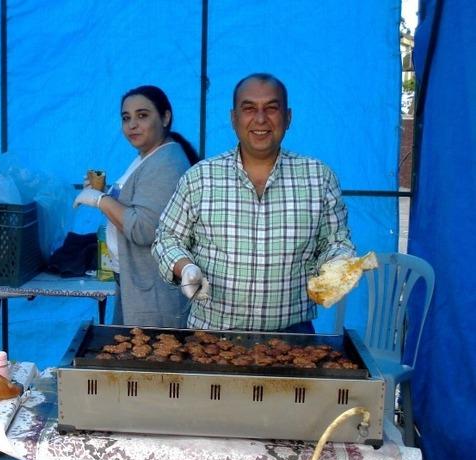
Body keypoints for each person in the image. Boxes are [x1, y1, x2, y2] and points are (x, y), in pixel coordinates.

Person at [152, 73, 356, 333]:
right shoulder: (200, 178)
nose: (260, 119)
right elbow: (166, 238)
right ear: (234, 118)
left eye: (271, 108)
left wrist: (338, 264)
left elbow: (335, 242)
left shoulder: (319, 178)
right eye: (249, 109)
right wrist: (185, 267)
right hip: (212, 337)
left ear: (288, 117)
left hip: (293, 340)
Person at [74, 85, 200, 327]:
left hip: (154, 291)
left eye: (142, 115)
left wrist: (101, 200)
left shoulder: (167, 163)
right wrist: (103, 192)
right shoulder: (148, 156)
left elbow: (144, 229)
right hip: (135, 282)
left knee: (150, 359)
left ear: (165, 117)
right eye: (126, 118)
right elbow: (138, 202)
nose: (132, 125)